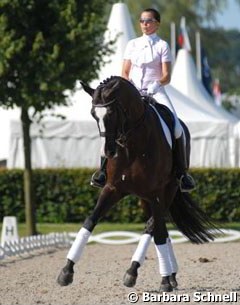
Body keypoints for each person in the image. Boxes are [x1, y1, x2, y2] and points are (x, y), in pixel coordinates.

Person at [91, 8, 195, 192]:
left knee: (177, 127)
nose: (144, 24)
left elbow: (166, 76)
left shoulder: (162, 45)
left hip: (156, 91)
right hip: (133, 93)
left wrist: (156, 85)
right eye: (142, 21)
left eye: (148, 21)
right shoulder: (132, 44)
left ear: (157, 23)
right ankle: (101, 171)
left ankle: (182, 173)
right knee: (112, 124)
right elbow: (124, 72)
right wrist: (130, 89)